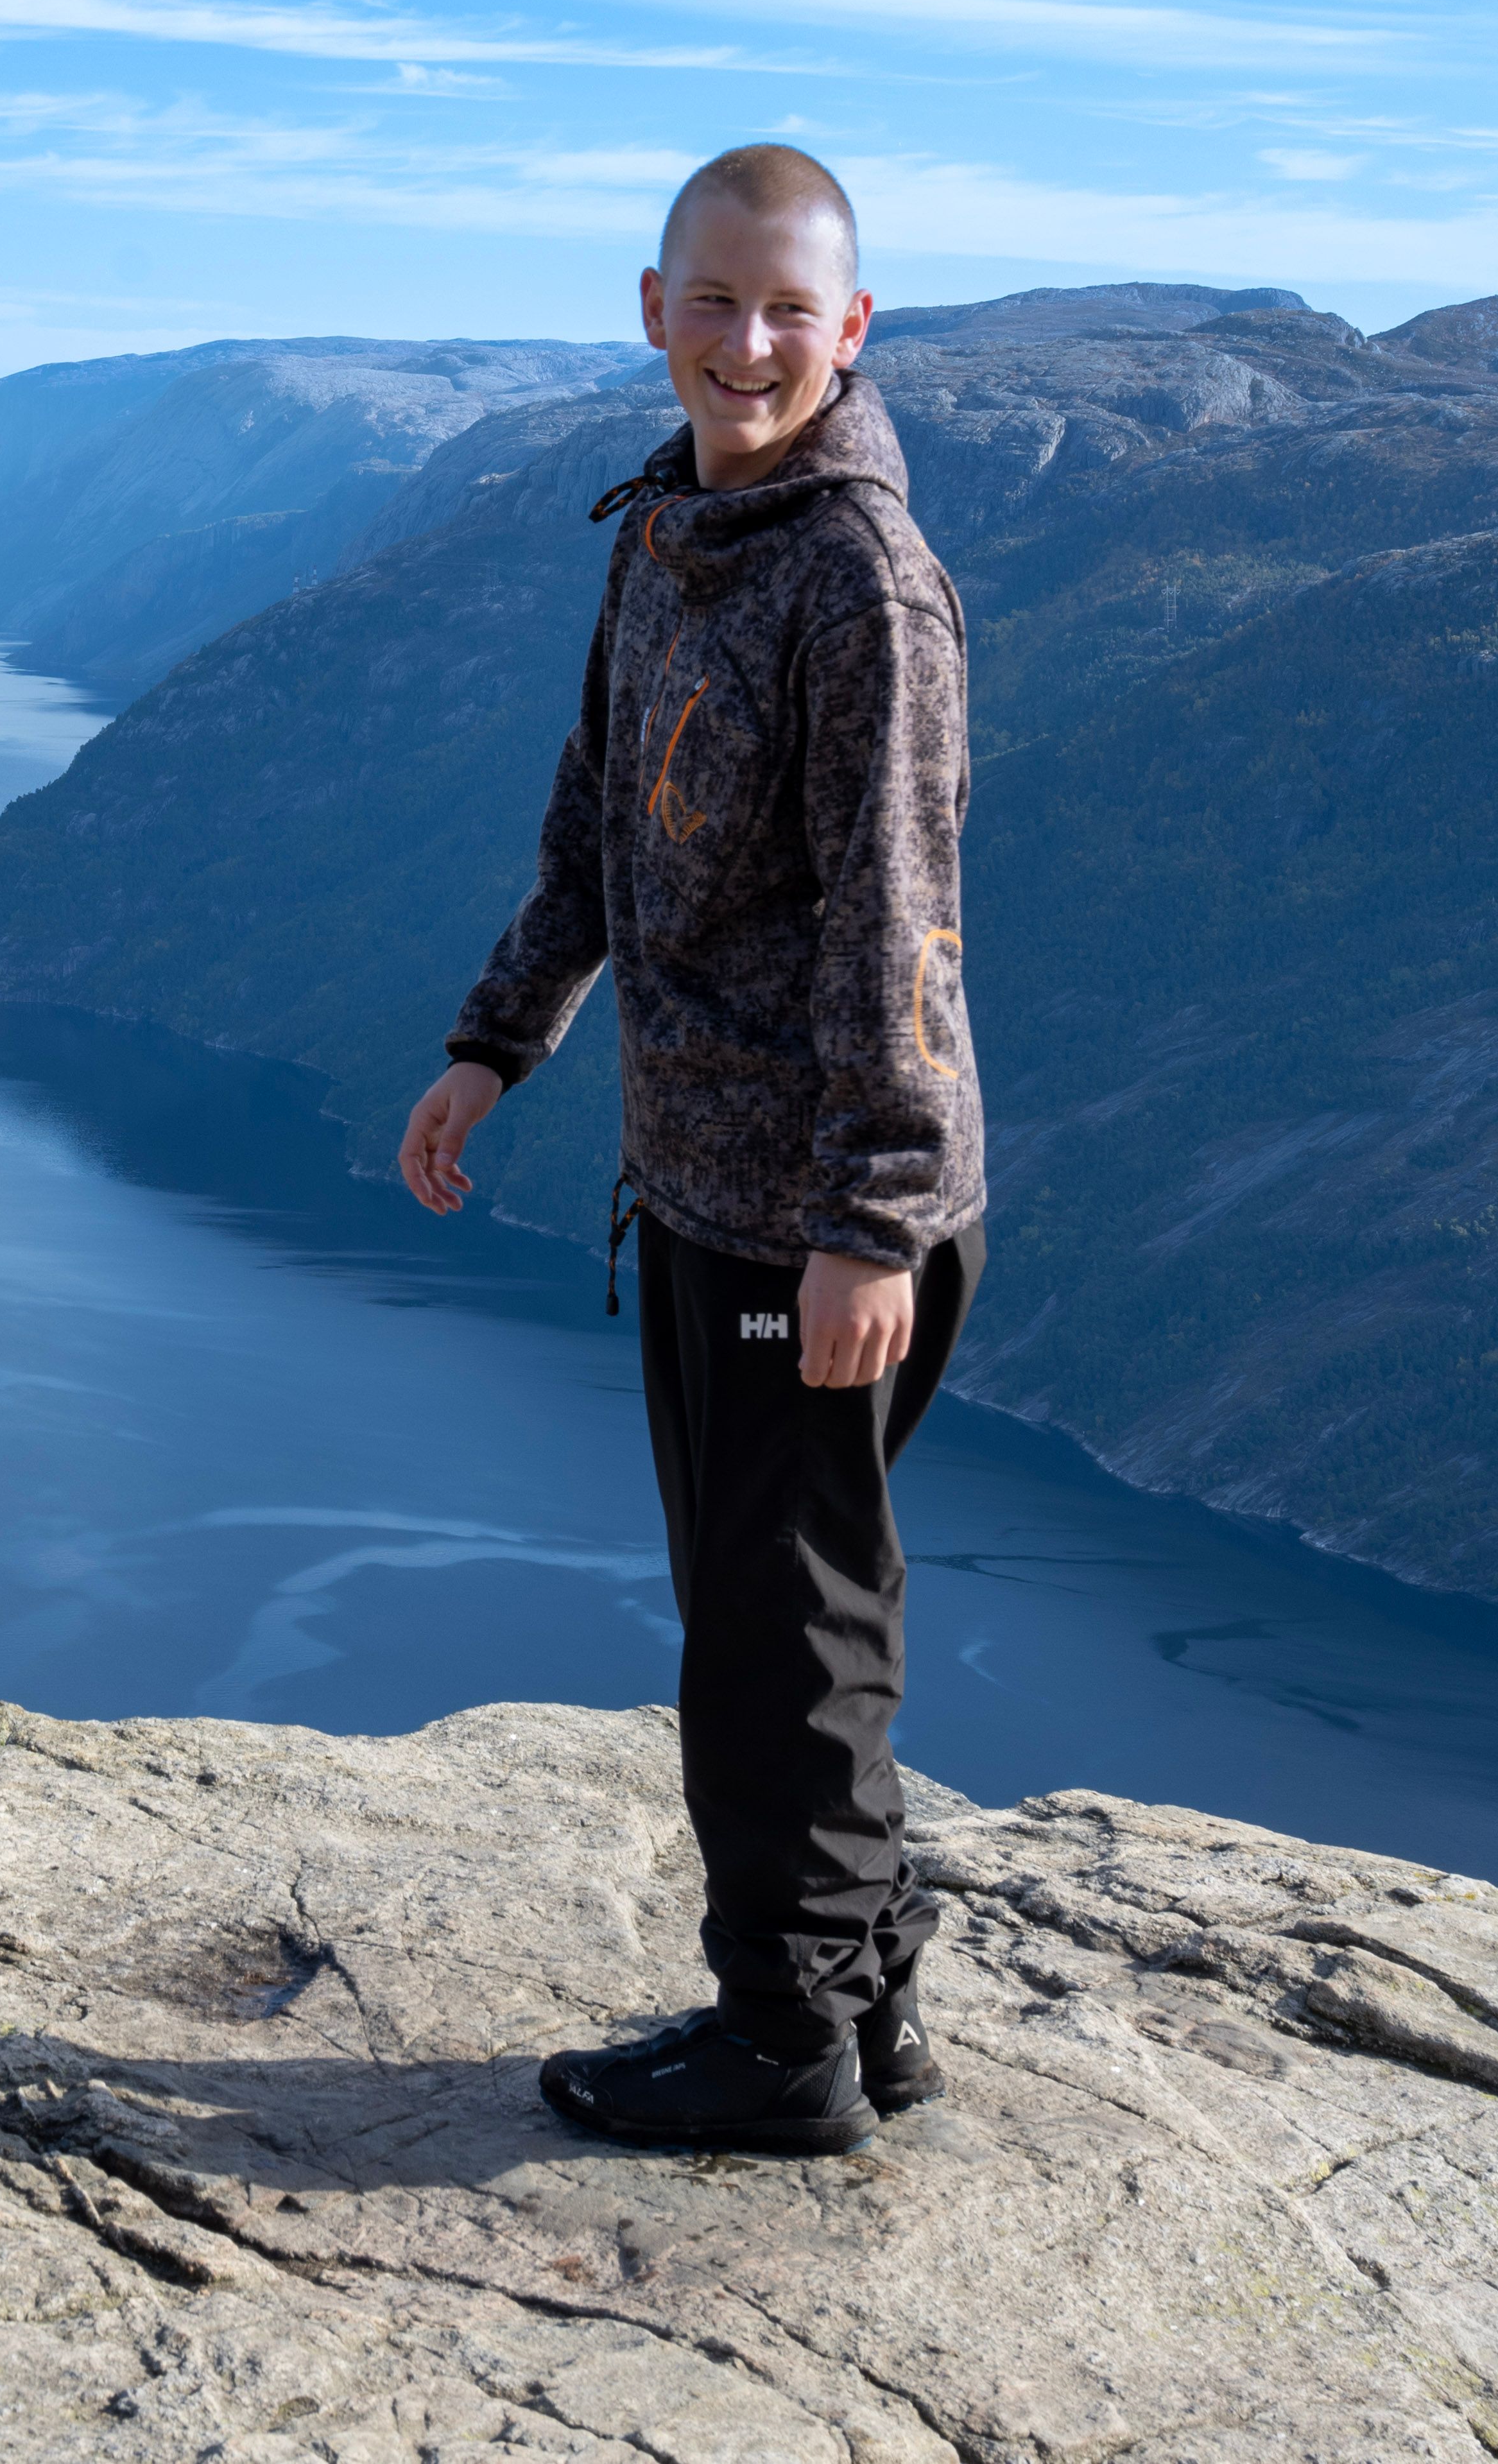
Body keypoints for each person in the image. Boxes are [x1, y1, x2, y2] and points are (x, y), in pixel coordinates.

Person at [399, 143, 984, 2157]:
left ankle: (783, 2042)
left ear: (852, 327)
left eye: (787, 310)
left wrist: (869, 1219)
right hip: (721, 1190)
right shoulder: (665, 531)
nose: (746, 344)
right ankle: (864, 1991)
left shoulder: (861, 582)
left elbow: (895, 915)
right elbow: (592, 825)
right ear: (651, 306)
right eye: (712, 302)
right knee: (786, 1605)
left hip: (820, 1214)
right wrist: (497, 1041)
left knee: (775, 1637)